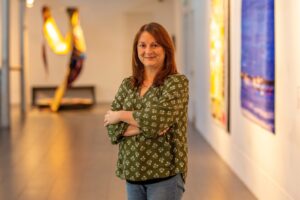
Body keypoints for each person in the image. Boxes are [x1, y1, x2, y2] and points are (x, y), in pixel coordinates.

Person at [104, 22, 189, 200]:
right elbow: (111, 128)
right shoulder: (128, 84)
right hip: (133, 174)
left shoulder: (176, 83)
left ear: (166, 49)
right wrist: (148, 125)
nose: (148, 50)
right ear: (136, 49)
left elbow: (156, 121)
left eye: (155, 45)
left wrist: (120, 116)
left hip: (165, 176)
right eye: (142, 45)